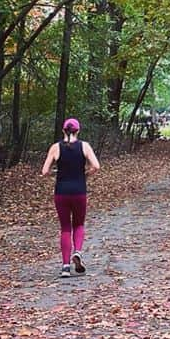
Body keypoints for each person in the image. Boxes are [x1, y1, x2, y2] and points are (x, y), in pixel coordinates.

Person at [42, 117, 100, 277]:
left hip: (61, 192)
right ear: (78, 131)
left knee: (65, 227)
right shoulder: (84, 146)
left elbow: (45, 171)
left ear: (63, 130)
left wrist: (56, 174)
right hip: (79, 191)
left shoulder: (55, 148)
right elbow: (96, 166)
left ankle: (66, 266)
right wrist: (85, 175)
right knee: (79, 224)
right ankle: (78, 252)